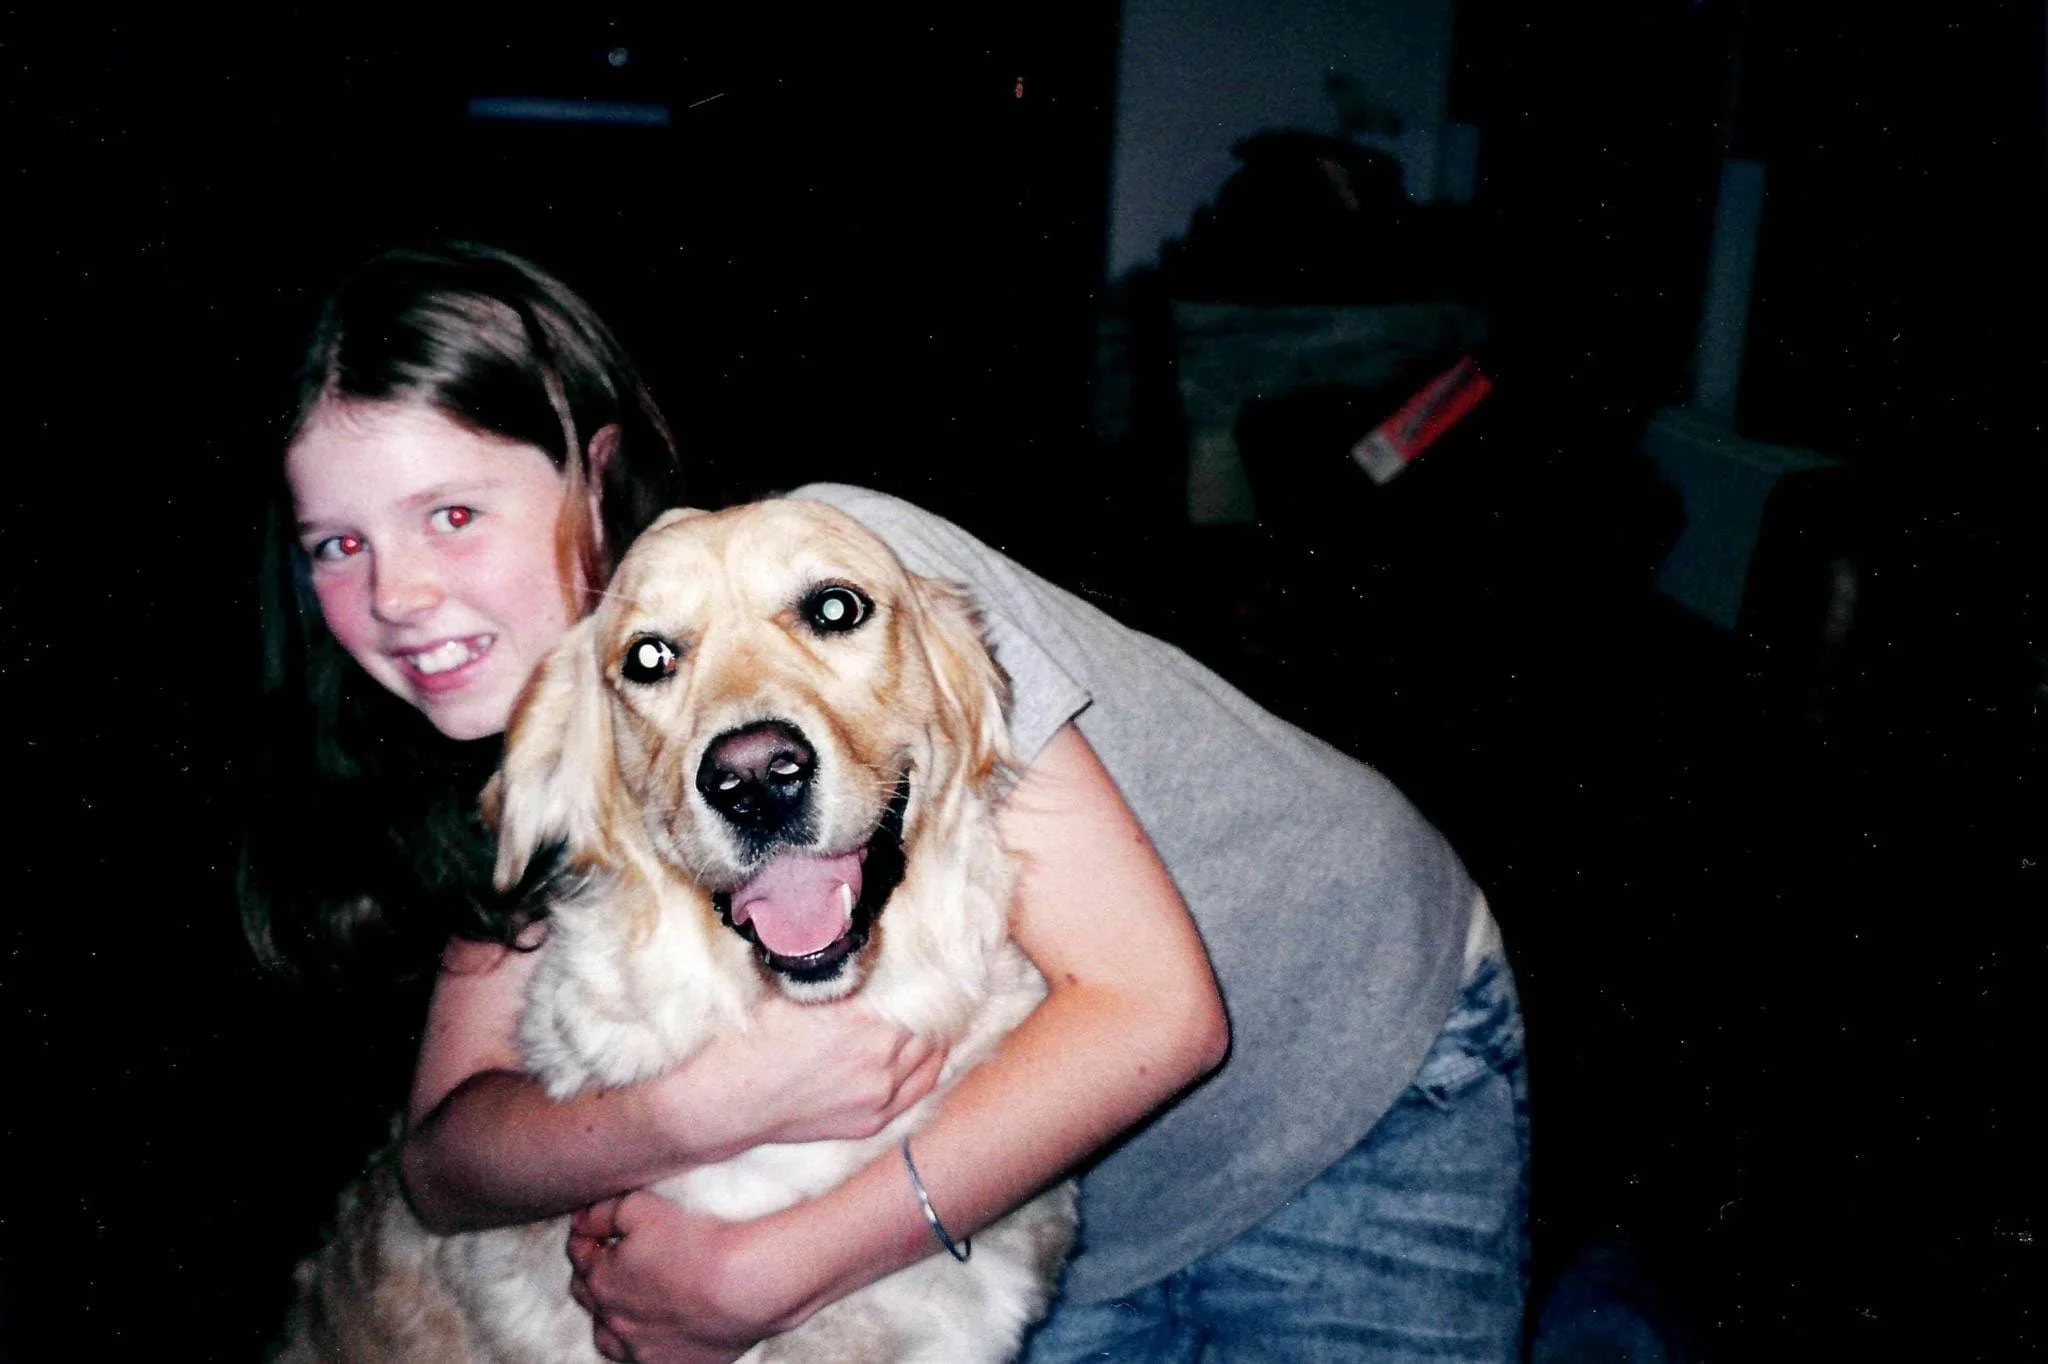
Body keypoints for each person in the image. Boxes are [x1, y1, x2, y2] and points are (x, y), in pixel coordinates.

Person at [244, 241, 1529, 1364]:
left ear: (594, 469)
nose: (400, 591)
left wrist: (761, 1274)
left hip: (1351, 1058)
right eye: (336, 544)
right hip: (1060, 1171)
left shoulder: (852, 552)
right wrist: (699, 1108)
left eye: (452, 512)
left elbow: (1161, 1009)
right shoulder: (555, 744)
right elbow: (443, 1159)